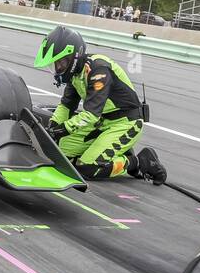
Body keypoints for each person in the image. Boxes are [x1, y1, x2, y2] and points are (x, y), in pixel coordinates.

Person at [32, 27, 165, 183]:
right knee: (60, 155)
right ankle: (119, 151)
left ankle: (139, 162)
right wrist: (52, 126)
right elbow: (66, 106)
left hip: (126, 123)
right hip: (101, 123)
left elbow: (91, 114)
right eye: (56, 64)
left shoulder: (98, 70)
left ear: (73, 56)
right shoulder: (75, 75)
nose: (58, 69)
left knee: (87, 168)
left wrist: (60, 130)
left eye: (60, 63)